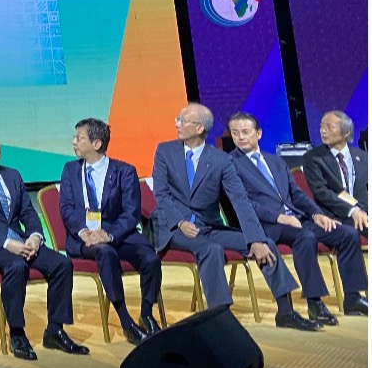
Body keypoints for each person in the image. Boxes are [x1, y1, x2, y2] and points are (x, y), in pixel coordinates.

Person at [149, 104, 317, 330]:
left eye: (182, 120)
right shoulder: (165, 151)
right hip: (172, 226)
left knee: (265, 243)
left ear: (199, 128)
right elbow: (161, 193)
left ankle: (286, 311)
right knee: (210, 249)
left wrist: (255, 238)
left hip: (208, 226)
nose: (176, 124)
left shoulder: (220, 160)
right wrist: (180, 221)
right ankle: (221, 318)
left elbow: (240, 201)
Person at [0, 127, 89, 360]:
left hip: (20, 239)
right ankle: (17, 332)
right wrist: (7, 244)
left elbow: (28, 212)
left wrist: (35, 236)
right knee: (16, 266)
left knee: (61, 264)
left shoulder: (12, 175)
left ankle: (55, 329)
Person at [226, 113, 367, 321]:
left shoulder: (274, 161)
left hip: (298, 218)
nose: (240, 137)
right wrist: (278, 217)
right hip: (266, 224)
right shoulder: (230, 164)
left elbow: (296, 194)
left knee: (346, 234)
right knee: (305, 237)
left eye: (245, 132)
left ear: (258, 133)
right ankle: (315, 302)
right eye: (235, 133)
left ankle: (353, 297)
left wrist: (316, 214)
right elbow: (242, 204)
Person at [57, 119, 161, 344]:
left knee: (151, 258)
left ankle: (146, 313)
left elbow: (131, 213)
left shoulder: (125, 171)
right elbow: (66, 209)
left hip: (118, 235)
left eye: (79, 138)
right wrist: (84, 232)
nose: (73, 142)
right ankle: (126, 322)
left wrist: (109, 234)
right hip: (83, 239)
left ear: (96, 143)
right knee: (106, 254)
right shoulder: (70, 170)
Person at [302, 110, 369, 315]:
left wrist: (363, 211)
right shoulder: (313, 158)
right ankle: (353, 297)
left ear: (346, 133)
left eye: (329, 127)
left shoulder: (362, 156)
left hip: (360, 214)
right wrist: (353, 210)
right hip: (329, 217)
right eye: (322, 126)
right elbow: (322, 192)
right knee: (349, 235)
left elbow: (364, 191)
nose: (323, 130)